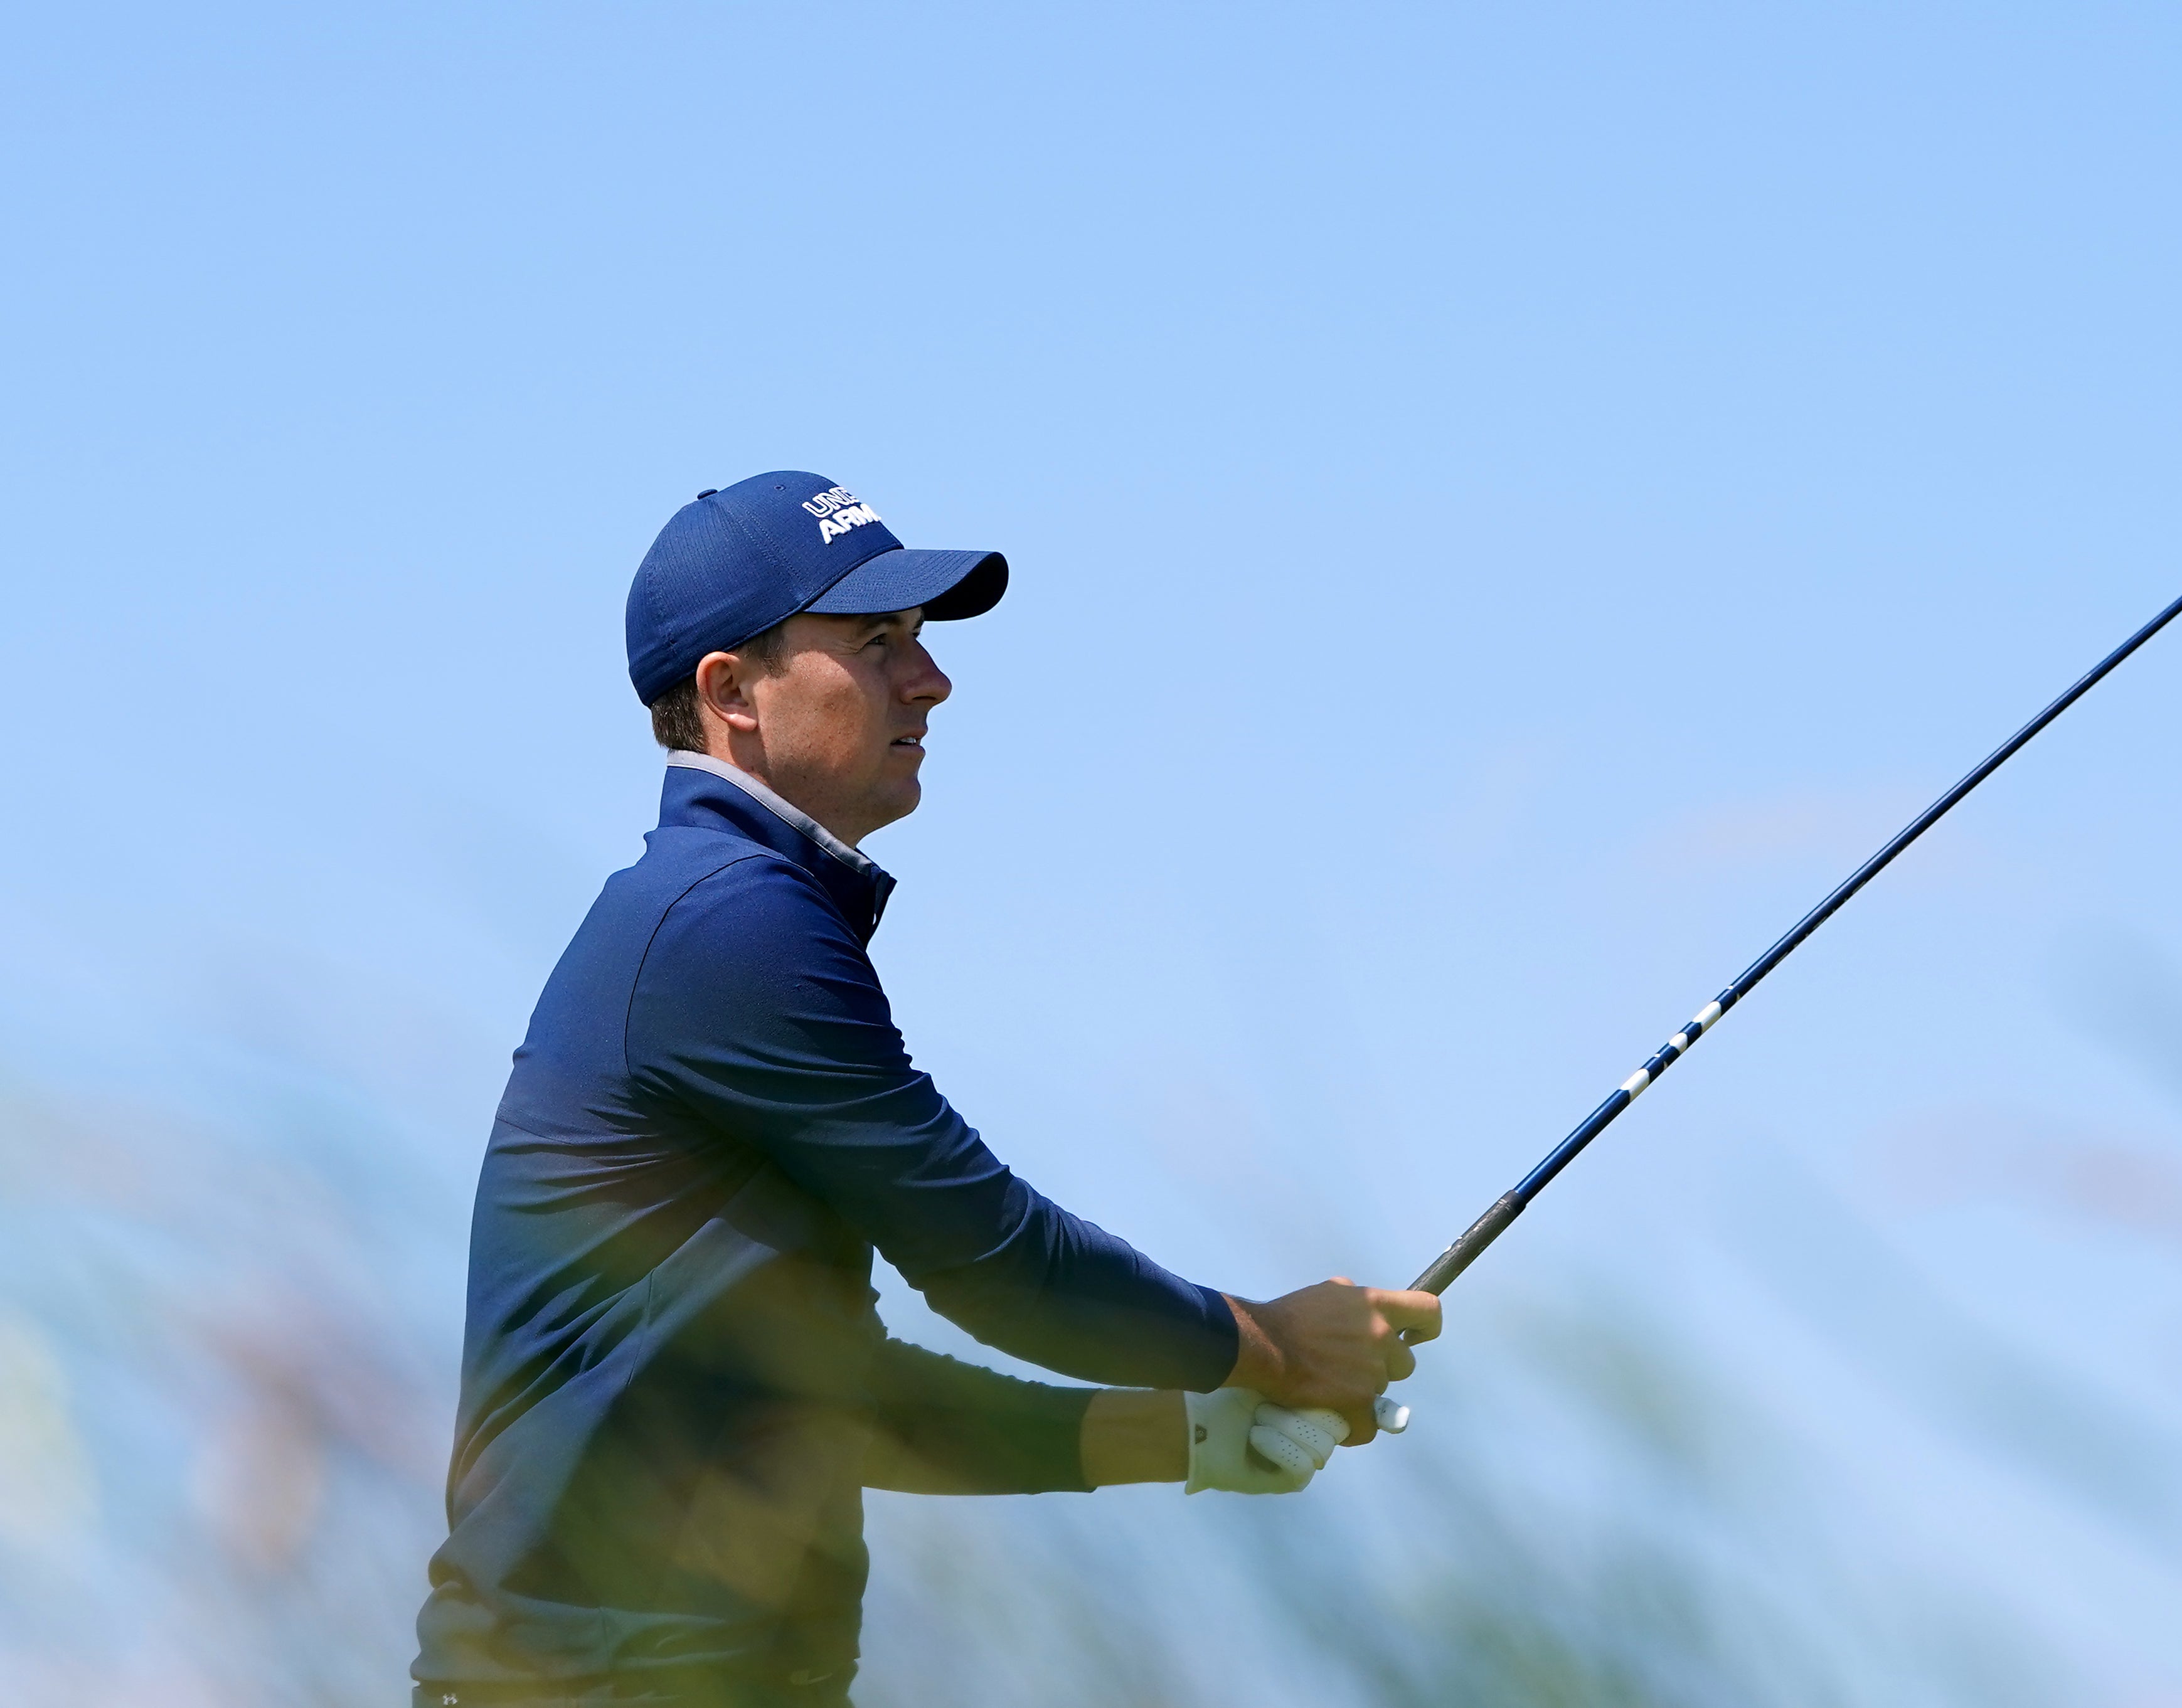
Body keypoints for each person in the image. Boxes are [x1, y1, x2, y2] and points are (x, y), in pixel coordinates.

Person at [411, 472, 1440, 1707]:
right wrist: (1265, 1346)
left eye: (922, 641)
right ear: (731, 693)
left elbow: (834, 1397)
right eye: (877, 642)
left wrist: (1192, 1438)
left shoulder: (735, 913)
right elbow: (997, 1264)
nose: (931, 680)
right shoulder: (730, 927)